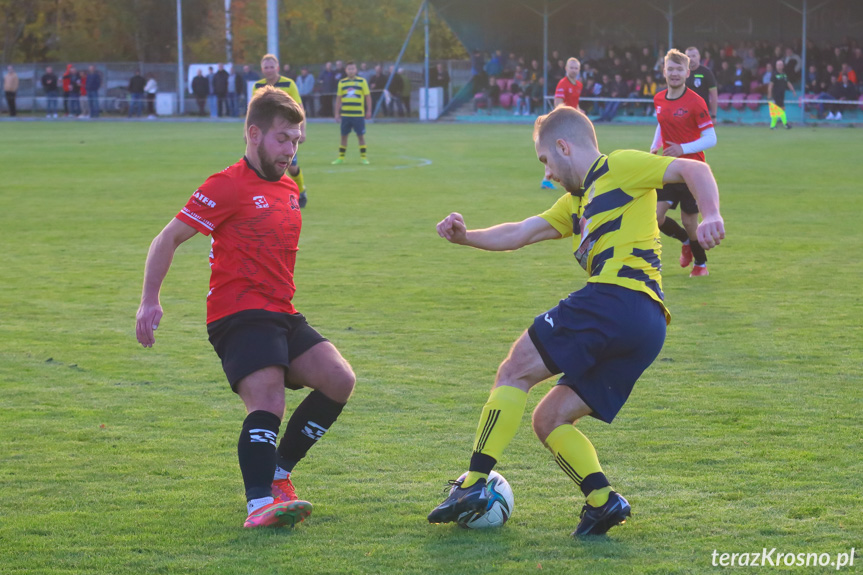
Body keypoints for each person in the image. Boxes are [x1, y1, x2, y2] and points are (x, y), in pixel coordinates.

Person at [427, 104, 724, 537]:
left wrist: (711, 213)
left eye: (546, 161)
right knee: (548, 420)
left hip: (615, 299)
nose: (547, 172)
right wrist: (466, 237)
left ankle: (472, 484)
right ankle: (603, 501)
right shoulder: (576, 203)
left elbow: (694, 171)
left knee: (514, 370)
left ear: (564, 146)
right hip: (647, 326)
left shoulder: (619, 166)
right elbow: (523, 231)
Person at [135, 86, 355, 530]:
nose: (290, 150)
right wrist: (149, 301)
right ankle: (259, 504)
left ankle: (277, 473)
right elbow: (168, 238)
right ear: (254, 134)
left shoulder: (290, 187)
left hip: (282, 312)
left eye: (297, 141)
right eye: (282, 139)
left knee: (338, 379)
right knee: (268, 400)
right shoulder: (227, 185)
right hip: (237, 315)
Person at [652, 49, 717, 277]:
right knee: (655, 217)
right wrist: (655, 145)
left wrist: (682, 148)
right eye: (671, 69)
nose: (674, 73)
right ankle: (685, 242)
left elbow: (711, 138)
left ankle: (700, 264)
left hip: (692, 172)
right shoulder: (658, 98)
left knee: (690, 222)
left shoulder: (696, 102)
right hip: (669, 169)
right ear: (664, 71)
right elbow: (662, 122)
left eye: (679, 69)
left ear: (687, 73)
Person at [255, 54, 308, 208]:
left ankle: (301, 190)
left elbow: (299, 108)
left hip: (287, 133)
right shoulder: (258, 86)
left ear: (277, 68)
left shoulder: (288, 84)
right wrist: (248, 131)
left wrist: (302, 130)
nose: (269, 70)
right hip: (266, 134)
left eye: (272, 67)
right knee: (266, 164)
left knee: (291, 167)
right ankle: (273, 196)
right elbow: (253, 111)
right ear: (262, 69)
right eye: (266, 67)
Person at [546, 57, 584, 190]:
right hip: (564, 121)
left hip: (572, 122)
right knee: (564, 150)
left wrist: (580, 113)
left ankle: (550, 177)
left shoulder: (579, 85)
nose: (573, 70)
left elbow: (575, 103)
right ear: (566, 69)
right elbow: (558, 103)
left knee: (565, 150)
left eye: (576, 68)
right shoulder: (562, 84)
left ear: (579, 70)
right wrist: (561, 120)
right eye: (571, 68)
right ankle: (549, 177)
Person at [332, 61, 371, 165]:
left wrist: (369, 110)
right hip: (345, 115)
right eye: (349, 69)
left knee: (360, 136)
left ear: (356, 70)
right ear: (346, 70)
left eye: (353, 69)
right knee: (343, 136)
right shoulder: (342, 83)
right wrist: (336, 113)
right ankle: (340, 158)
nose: (351, 71)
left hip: (358, 115)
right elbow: (339, 99)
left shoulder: (362, 81)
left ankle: (364, 158)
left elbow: (367, 97)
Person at [684, 47, 718, 119]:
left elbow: (714, 96)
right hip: (686, 113)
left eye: (693, 56)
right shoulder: (683, 73)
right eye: (688, 56)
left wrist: (714, 115)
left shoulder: (706, 72)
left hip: (702, 113)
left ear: (699, 57)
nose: (691, 59)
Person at [767, 60, 797, 130]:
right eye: (778, 65)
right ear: (776, 66)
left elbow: (788, 82)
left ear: (783, 66)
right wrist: (769, 95)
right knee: (781, 110)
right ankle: (785, 124)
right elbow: (770, 85)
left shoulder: (784, 74)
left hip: (782, 94)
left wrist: (793, 90)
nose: (780, 66)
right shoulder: (774, 74)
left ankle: (772, 126)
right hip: (776, 95)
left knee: (775, 111)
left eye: (781, 65)